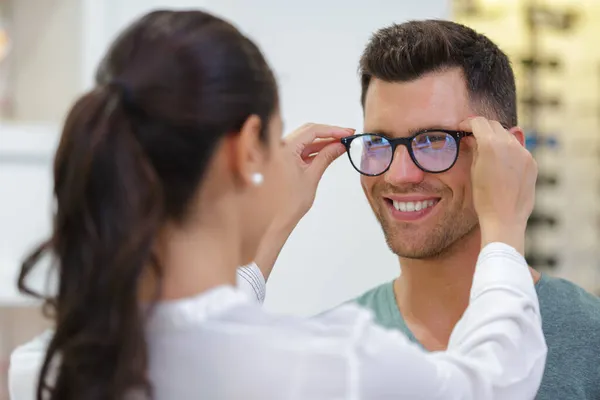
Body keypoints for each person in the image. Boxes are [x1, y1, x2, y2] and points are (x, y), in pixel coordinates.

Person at [9, 10, 546, 400]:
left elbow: (194, 327)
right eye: (272, 137)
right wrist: (503, 227)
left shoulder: (47, 368)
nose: (401, 173)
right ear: (247, 150)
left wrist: (265, 230)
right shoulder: (329, 365)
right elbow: (493, 382)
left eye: (433, 142)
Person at [250, 20, 600, 400]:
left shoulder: (590, 340)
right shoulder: (325, 355)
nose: (400, 174)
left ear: (508, 152)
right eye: (379, 141)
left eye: (434, 140)